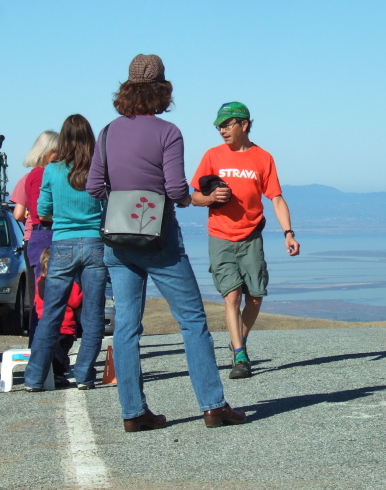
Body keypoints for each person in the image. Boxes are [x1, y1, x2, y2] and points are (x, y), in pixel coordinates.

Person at [87, 53, 244, 432]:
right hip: (159, 237)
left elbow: (94, 187)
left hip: (118, 240)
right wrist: (192, 197)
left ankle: (133, 412)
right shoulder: (168, 132)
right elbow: (175, 189)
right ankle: (212, 405)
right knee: (191, 321)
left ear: (126, 88)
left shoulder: (107, 132)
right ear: (162, 89)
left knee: (126, 326)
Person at [191, 101, 299, 379]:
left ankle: (238, 338)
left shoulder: (263, 158)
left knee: (255, 297)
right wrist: (211, 197)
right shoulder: (212, 156)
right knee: (232, 295)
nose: (222, 131)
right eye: (219, 126)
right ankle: (240, 356)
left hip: (252, 237)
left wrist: (289, 233)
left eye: (227, 125)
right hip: (220, 236)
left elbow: (275, 198)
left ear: (244, 125)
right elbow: (193, 197)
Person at [23, 115, 107, 393]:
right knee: (93, 314)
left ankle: (35, 377)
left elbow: (42, 210)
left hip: (61, 243)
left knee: (51, 312)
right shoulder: (99, 169)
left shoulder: (52, 170)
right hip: (95, 242)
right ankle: (84, 374)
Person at [10, 130, 59, 343]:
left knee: (35, 295)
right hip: (46, 234)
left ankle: (35, 343)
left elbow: (18, 214)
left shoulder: (26, 177)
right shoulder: (45, 175)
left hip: (31, 235)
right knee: (47, 293)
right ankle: (44, 346)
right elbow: (43, 211)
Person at [34, 247, 83, 387]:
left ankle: (46, 374)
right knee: (61, 354)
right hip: (65, 325)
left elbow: (37, 302)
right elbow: (75, 301)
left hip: (45, 324)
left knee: (49, 351)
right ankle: (59, 376)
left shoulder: (40, 282)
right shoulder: (67, 282)